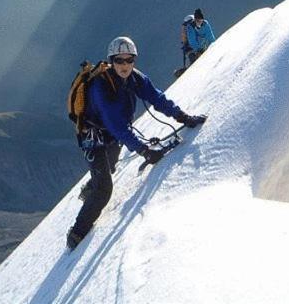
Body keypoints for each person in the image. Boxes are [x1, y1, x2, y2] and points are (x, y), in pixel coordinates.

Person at [66, 36, 206, 250]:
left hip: (112, 136)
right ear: (111, 61)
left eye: (129, 60)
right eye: (119, 60)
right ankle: (76, 234)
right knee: (104, 189)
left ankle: (90, 186)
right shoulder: (100, 87)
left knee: (109, 167)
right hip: (92, 138)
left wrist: (183, 117)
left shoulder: (135, 79)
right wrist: (144, 150)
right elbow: (116, 125)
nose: (125, 65)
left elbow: (157, 98)